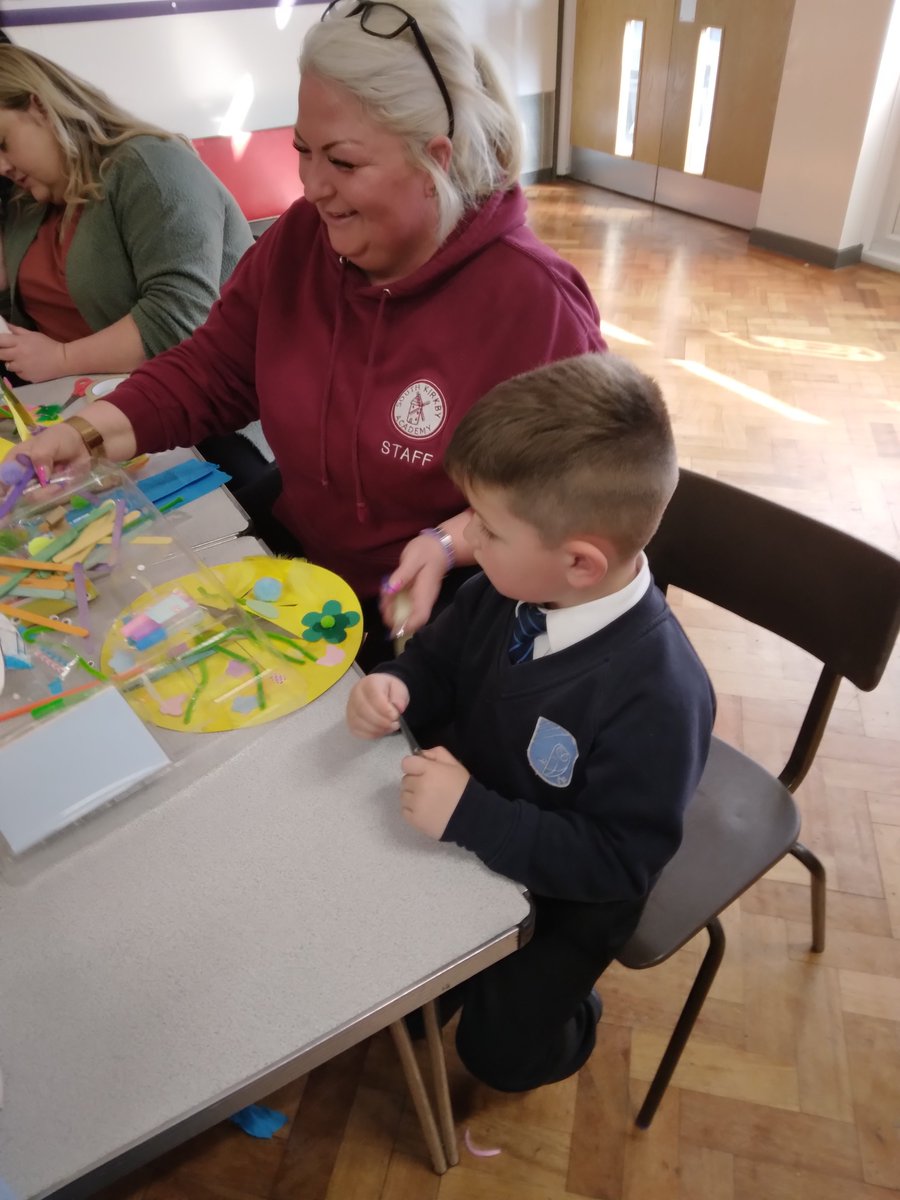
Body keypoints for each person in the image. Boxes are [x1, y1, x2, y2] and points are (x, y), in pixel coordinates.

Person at [3, 0, 604, 666]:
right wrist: (84, 430)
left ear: (435, 161)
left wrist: (443, 544)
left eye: (343, 163)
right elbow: (211, 372)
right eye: (303, 152)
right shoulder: (301, 242)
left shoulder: (534, 307)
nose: (313, 186)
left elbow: (564, 504)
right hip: (300, 576)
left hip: (433, 618)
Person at [346, 352, 716, 1092]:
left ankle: (572, 1018)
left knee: (502, 1055)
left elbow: (617, 864)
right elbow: (439, 669)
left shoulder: (660, 698)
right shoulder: (503, 590)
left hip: (568, 898)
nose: (465, 541)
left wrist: (473, 816)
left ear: (580, 564)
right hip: (471, 831)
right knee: (397, 946)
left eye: (486, 528)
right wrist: (393, 687)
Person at [0, 45, 255, 386]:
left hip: (196, 404)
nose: (2, 166)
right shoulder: (31, 199)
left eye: (3, 143)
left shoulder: (151, 167)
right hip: (75, 400)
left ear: (41, 107)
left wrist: (62, 358)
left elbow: (179, 318)